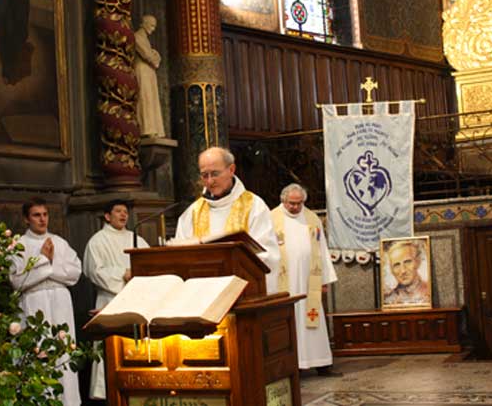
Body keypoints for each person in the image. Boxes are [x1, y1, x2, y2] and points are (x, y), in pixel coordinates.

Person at [175, 146, 280, 293]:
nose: (210, 181)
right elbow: (180, 256)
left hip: (242, 293)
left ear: (231, 170)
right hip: (203, 294)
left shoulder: (254, 206)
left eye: (215, 174)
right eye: (204, 175)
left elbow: (267, 256)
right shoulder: (192, 212)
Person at [9, 197, 82, 406]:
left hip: (61, 302)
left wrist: (46, 270)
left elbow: (75, 273)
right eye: (36, 215)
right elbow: (17, 281)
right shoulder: (19, 245)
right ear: (26, 219)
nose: (42, 219)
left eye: (45, 214)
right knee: (39, 350)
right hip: (35, 302)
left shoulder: (60, 242)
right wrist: (43, 261)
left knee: (63, 354)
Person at [83, 199, 149, 400]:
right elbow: (94, 271)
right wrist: (122, 274)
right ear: (107, 216)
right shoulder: (98, 241)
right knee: (111, 352)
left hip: (136, 300)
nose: (123, 215)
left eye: (125, 212)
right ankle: (110, 394)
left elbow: (149, 263)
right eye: (118, 211)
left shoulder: (136, 239)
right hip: (110, 300)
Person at [271, 184, 337, 374]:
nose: (295, 207)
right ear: (283, 200)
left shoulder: (312, 219)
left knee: (313, 319)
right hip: (285, 282)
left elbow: (322, 248)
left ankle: (321, 362)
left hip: (309, 280)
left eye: (299, 203)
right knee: (291, 321)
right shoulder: (271, 218)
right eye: (291, 203)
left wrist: (324, 278)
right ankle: (295, 365)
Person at [134, 15, 165, 137]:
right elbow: (148, 55)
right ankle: (147, 129)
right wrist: (155, 57)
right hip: (142, 70)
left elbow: (153, 56)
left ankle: (154, 129)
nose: (153, 29)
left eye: (154, 26)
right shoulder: (137, 37)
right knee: (145, 98)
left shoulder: (145, 39)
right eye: (152, 25)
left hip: (149, 71)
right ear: (144, 23)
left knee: (151, 99)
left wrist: (155, 56)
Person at [383, 240, 431, 305]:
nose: (403, 271)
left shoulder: (428, 292)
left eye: (407, 262)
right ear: (391, 270)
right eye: (396, 265)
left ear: (418, 262)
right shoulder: (389, 299)